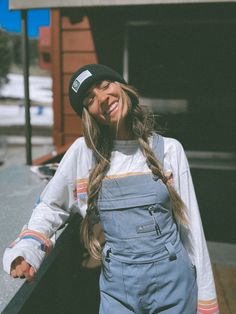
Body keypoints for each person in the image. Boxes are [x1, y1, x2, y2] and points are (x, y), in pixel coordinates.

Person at [3, 64, 219, 313]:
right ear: (88, 113)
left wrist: (206, 301)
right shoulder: (83, 153)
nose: (103, 99)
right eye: (90, 99)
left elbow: (191, 229)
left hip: (175, 285)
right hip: (119, 290)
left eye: (105, 86)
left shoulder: (170, 150)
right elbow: (51, 206)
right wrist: (28, 250)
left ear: (121, 86)